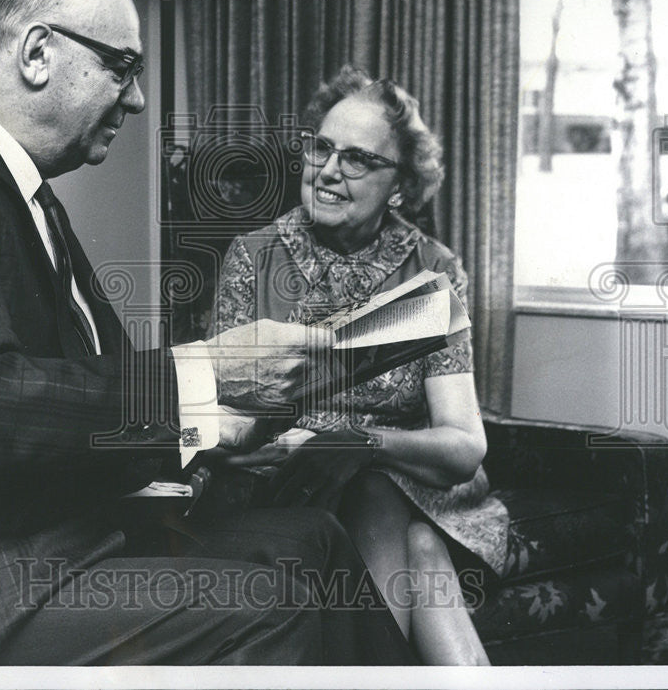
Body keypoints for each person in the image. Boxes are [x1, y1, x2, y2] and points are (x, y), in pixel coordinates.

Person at [0, 0, 417, 666]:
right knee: (268, 605)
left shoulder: (29, 199)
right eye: (122, 66)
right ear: (36, 53)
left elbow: (87, 400)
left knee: (316, 541)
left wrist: (221, 426)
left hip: (42, 544)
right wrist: (209, 374)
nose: (139, 99)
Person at [212, 65, 509, 666]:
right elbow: (216, 420)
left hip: (401, 482)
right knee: (421, 550)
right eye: (321, 147)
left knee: (376, 490)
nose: (327, 171)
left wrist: (360, 441)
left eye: (356, 159)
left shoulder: (434, 271)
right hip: (289, 483)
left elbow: (464, 446)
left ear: (398, 186)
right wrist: (271, 445)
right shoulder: (252, 257)